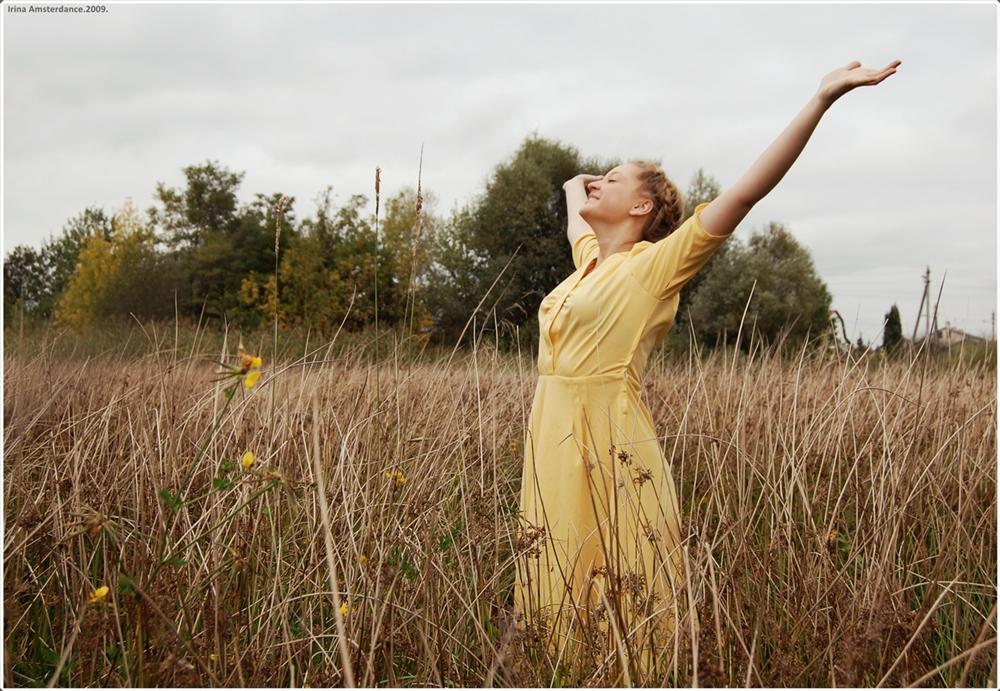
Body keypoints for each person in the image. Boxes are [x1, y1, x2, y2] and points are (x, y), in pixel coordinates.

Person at [512, 58, 902, 683]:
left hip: (608, 439)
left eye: (612, 179)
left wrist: (821, 99)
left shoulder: (654, 266)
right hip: (550, 437)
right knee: (557, 568)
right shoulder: (587, 262)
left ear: (642, 204)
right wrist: (572, 186)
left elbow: (745, 193)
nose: (597, 185)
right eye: (597, 180)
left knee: (618, 575)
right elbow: (573, 210)